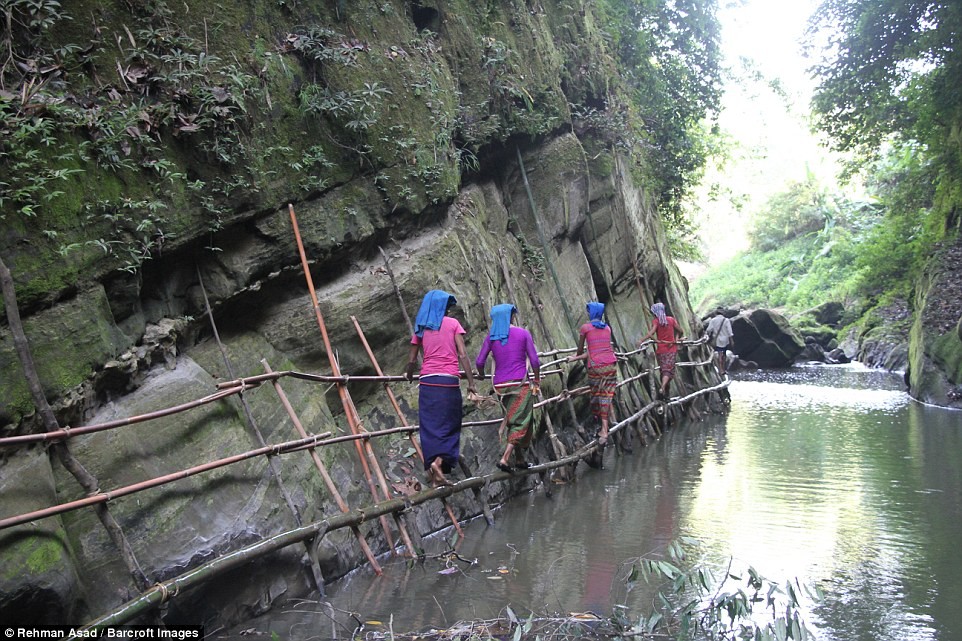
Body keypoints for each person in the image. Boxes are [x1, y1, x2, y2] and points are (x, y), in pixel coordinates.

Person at [405, 289, 477, 488]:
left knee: (430, 427)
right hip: (447, 381)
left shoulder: (421, 327)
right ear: (443, 308)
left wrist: (410, 375)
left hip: (427, 382)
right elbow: (462, 355)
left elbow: (411, 359)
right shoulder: (453, 324)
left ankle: (434, 471)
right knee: (451, 424)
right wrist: (471, 382)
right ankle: (438, 464)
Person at [475, 304, 541, 473]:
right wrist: (537, 379)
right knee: (522, 420)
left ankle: (519, 459)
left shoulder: (491, 337)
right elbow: (534, 360)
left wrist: (482, 375)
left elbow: (479, 362)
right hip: (520, 384)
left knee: (512, 418)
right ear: (510, 317)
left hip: (500, 387)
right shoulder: (523, 333)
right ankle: (505, 458)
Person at [567, 301, 617, 446]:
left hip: (596, 367)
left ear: (592, 313)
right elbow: (596, 350)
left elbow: (582, 350)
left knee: (599, 397)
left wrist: (575, 356)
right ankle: (605, 424)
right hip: (611, 365)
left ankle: (604, 430)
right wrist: (578, 357)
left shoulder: (585, 328)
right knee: (607, 395)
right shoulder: (607, 328)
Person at [639, 302, 684, 400]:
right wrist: (676, 339)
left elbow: (650, 333)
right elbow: (681, 331)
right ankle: (663, 387)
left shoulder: (656, 321)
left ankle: (665, 394)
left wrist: (649, 340)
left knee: (663, 371)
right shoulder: (671, 320)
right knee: (669, 371)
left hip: (661, 351)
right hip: (671, 349)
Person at [704, 307, 734, 376]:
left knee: (720, 354)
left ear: (716, 313)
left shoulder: (713, 320)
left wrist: (707, 335)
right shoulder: (726, 320)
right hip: (725, 340)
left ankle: (720, 369)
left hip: (717, 340)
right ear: (723, 313)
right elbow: (730, 332)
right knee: (724, 354)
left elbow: (709, 330)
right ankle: (723, 369)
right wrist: (731, 340)